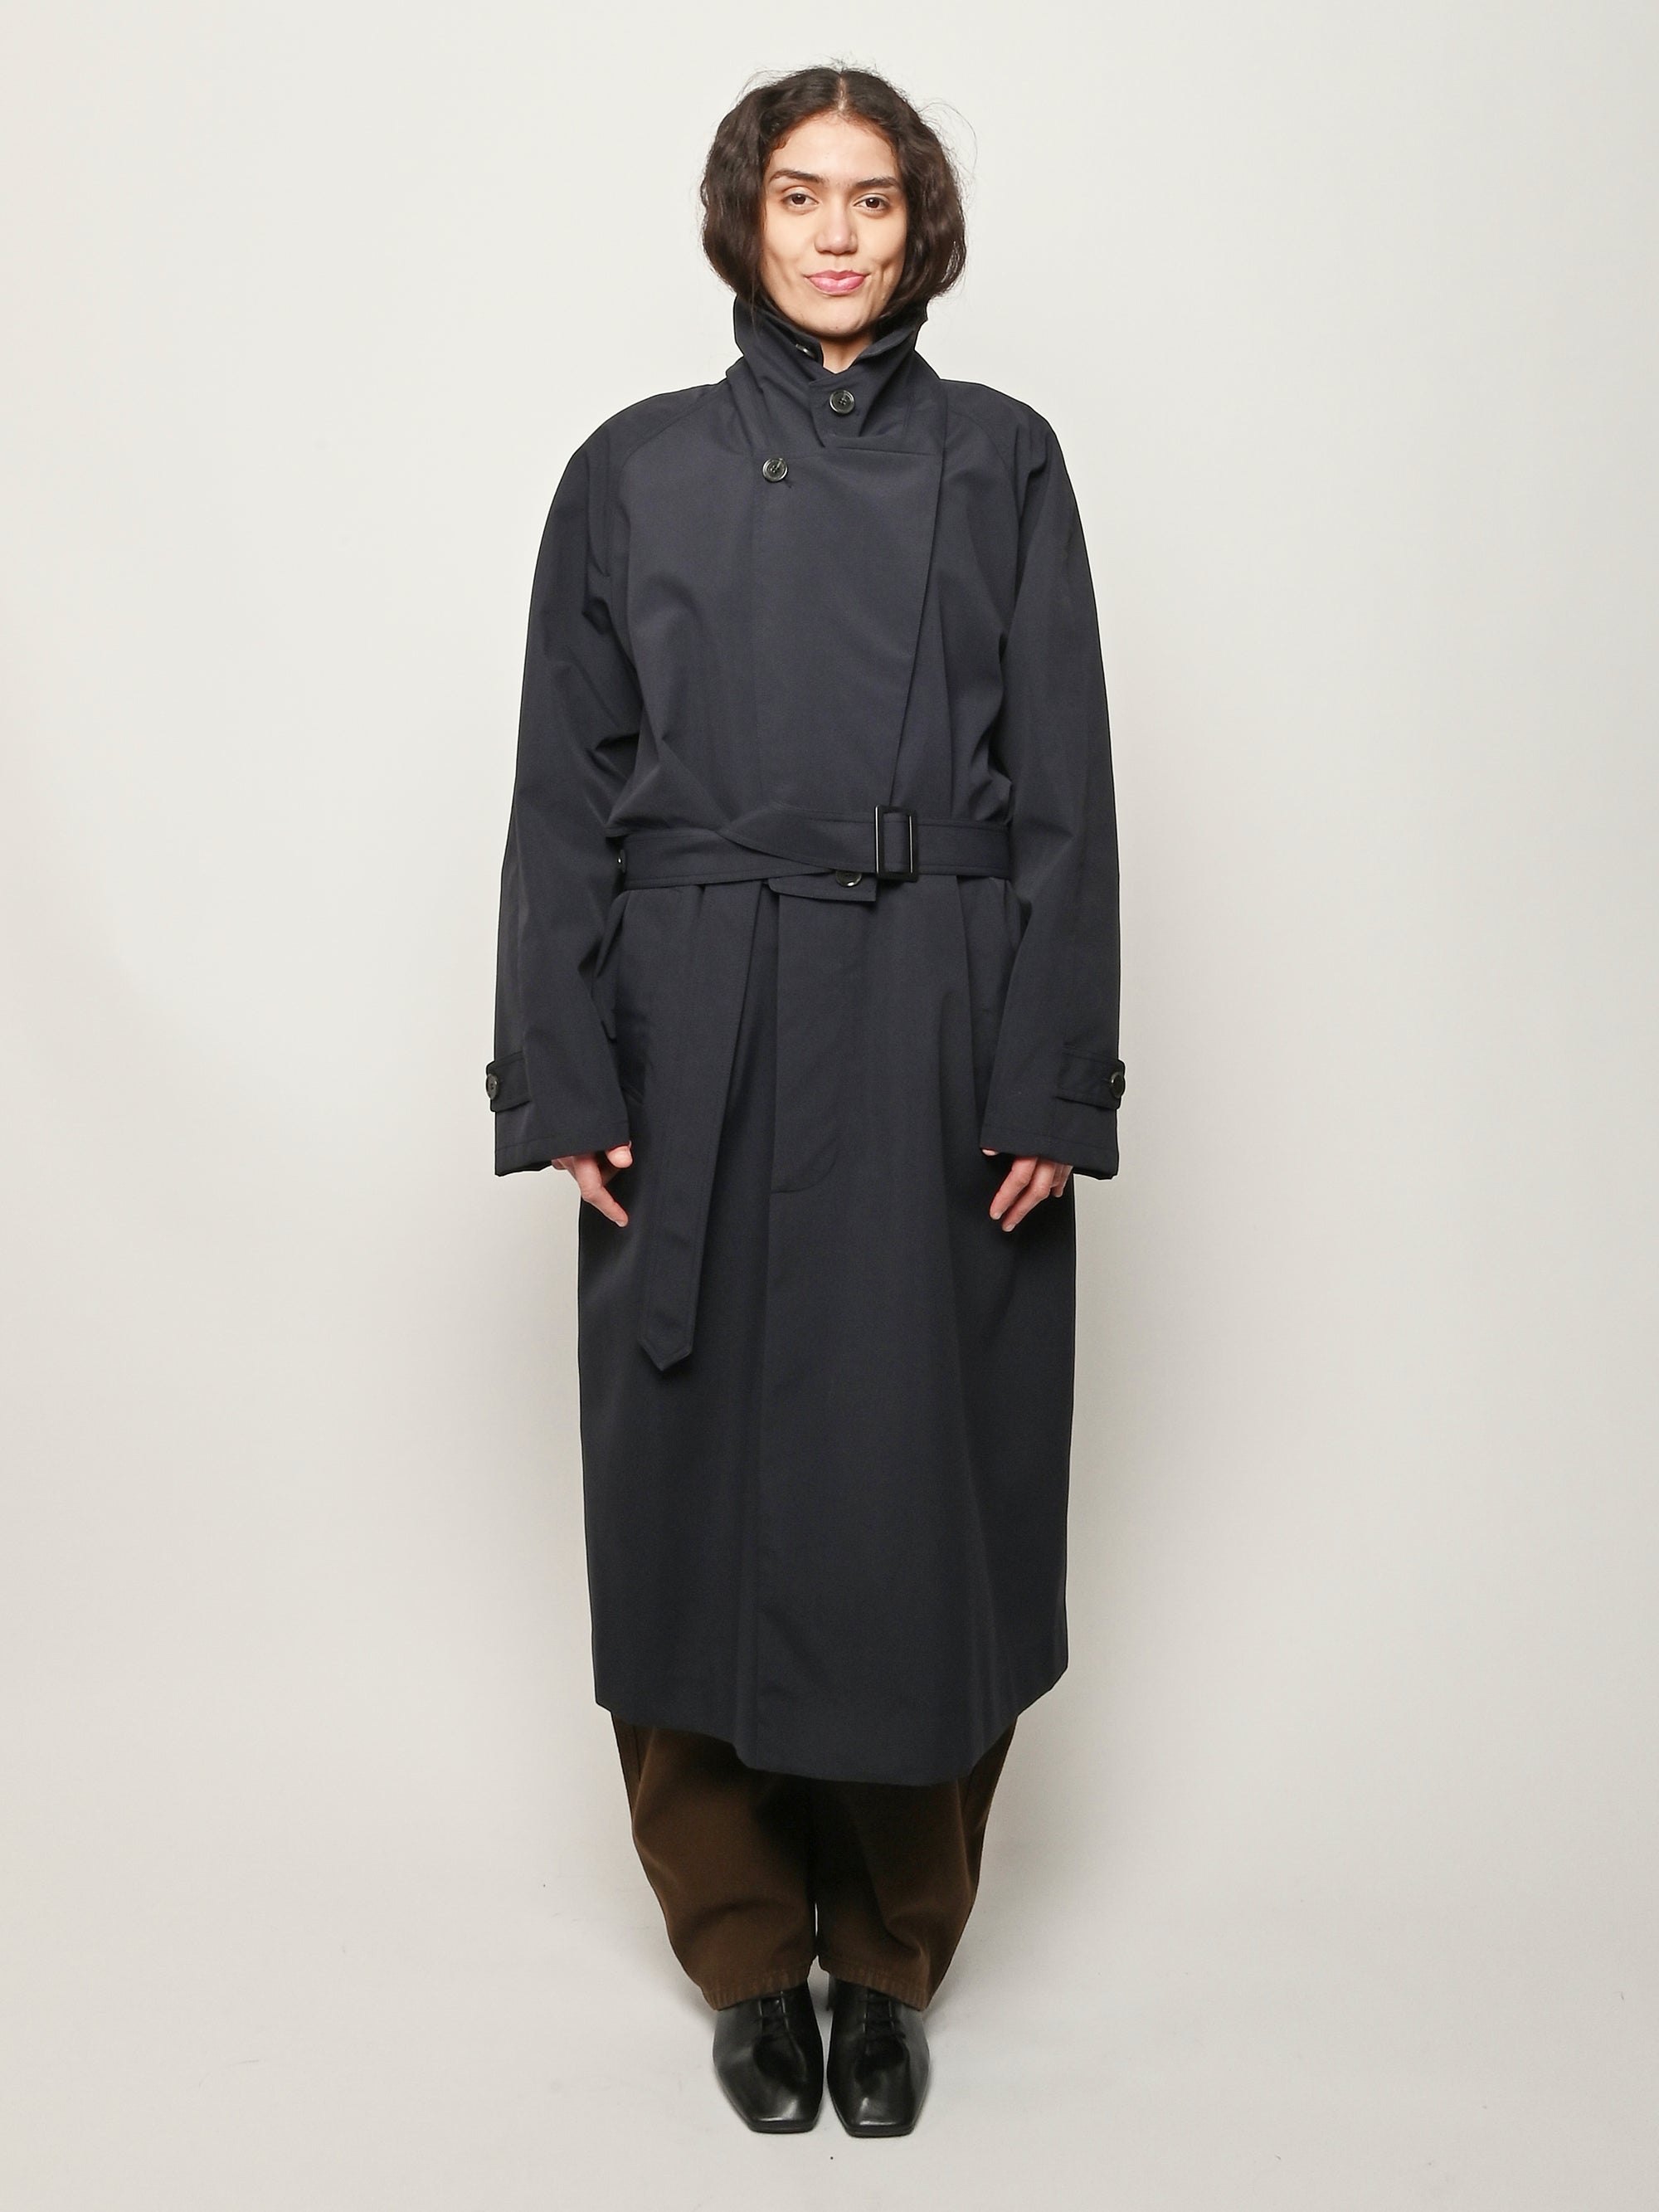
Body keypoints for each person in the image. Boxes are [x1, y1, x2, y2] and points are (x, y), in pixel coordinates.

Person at [486, 64, 1123, 2136]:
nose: (834, 234)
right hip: (695, 1022)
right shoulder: (631, 470)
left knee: (919, 1492)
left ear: (919, 224)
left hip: (936, 1014)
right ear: (741, 220)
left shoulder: (1002, 460)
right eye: (797, 195)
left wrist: (1048, 1070)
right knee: (689, 1487)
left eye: (870, 198)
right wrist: (565, 1066)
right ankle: (748, 1949)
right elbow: (561, 794)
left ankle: (896, 1954)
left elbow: (1066, 791)